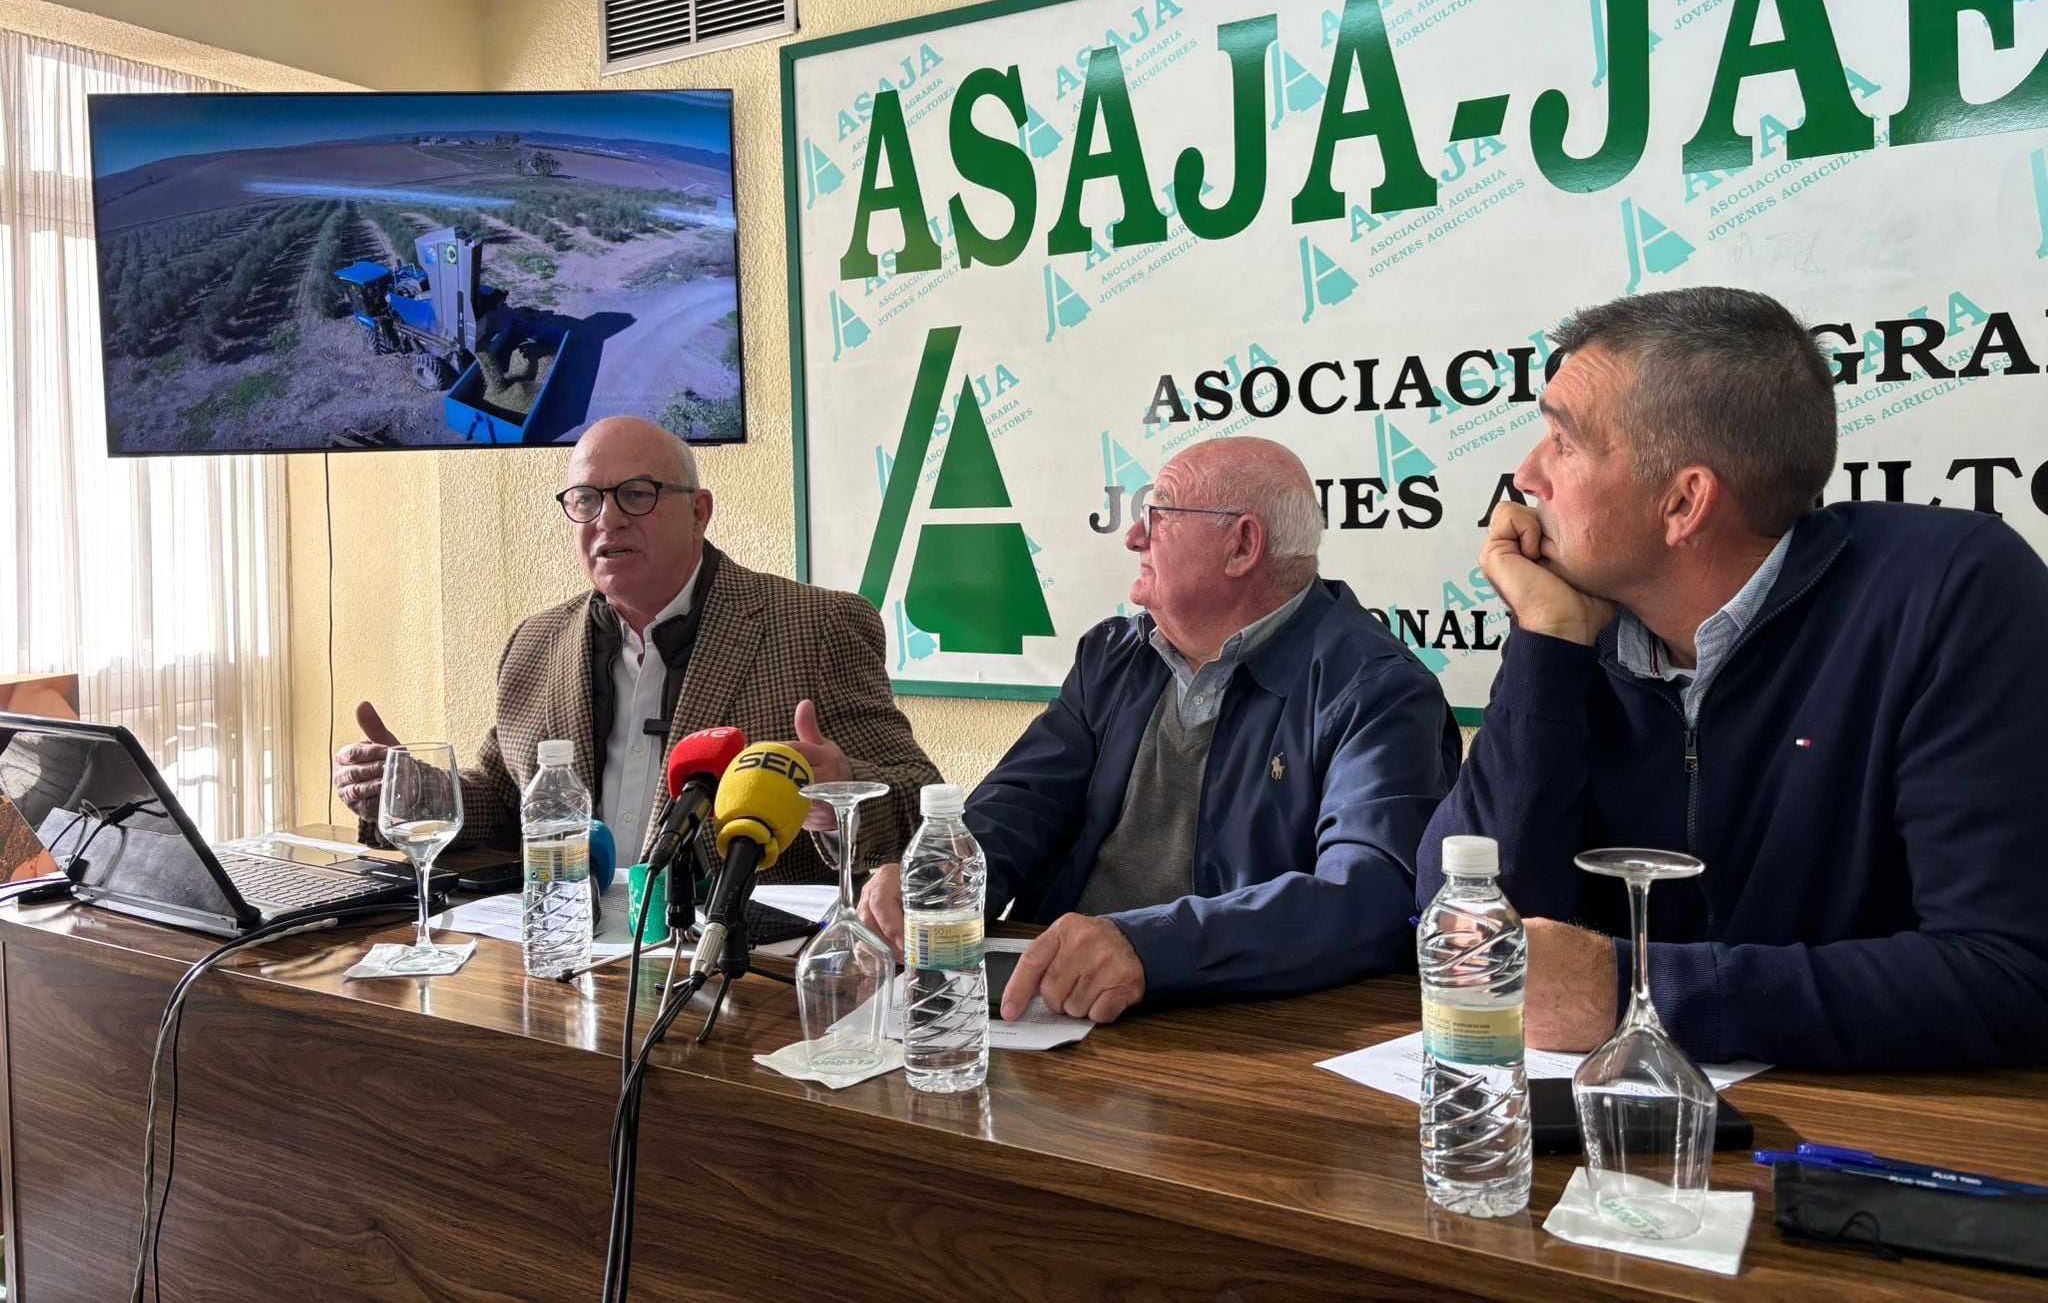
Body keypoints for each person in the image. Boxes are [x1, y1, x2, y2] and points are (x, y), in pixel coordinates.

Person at [1418, 286, 2048, 1071]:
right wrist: (1546, 645)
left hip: (1864, 1128)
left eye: (1564, 442)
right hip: (1602, 1116)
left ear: (1685, 502)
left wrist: (1636, 992)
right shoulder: (1575, 622)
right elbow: (1476, 933)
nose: (1526, 475)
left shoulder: (1951, 593)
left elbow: (2011, 970)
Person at [860, 436, 1458, 1024]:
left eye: (1159, 515)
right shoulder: (1113, 655)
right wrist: (940, 881)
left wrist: (1151, 948)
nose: (1133, 536)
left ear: (1242, 545)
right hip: (1054, 999)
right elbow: (1023, 803)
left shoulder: (1376, 688)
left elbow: (1371, 894)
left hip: (1232, 1021)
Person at [333, 416, 939, 884]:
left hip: (737, 963)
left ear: (699, 512)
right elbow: (506, 799)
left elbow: (921, 802)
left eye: (637, 494)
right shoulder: (536, 642)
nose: (609, 519)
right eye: (587, 499)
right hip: (566, 948)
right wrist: (415, 791)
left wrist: (841, 794)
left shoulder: (816, 626)